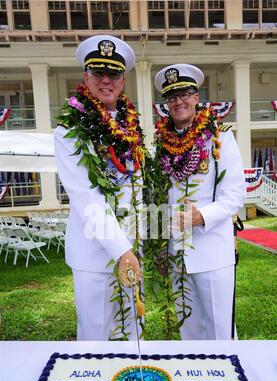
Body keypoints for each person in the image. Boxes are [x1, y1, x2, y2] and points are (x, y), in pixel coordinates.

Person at [54, 35, 145, 341]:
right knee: (95, 336)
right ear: (86, 77)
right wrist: (123, 251)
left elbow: (139, 188)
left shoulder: (133, 127)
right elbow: (85, 196)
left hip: (134, 247)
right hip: (94, 254)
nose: (106, 81)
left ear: (123, 79)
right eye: (99, 73)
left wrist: (142, 244)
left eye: (114, 74)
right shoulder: (69, 130)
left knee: (134, 329)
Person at [150, 63, 246, 340]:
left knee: (220, 330)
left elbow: (235, 194)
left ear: (196, 97)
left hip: (212, 249)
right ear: (166, 104)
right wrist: (160, 246)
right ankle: (195, 379)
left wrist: (201, 216)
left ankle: (228, 380)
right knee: (188, 330)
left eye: (184, 94)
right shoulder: (161, 143)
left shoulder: (220, 136)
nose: (178, 101)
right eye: (171, 96)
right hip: (176, 253)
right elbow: (158, 196)